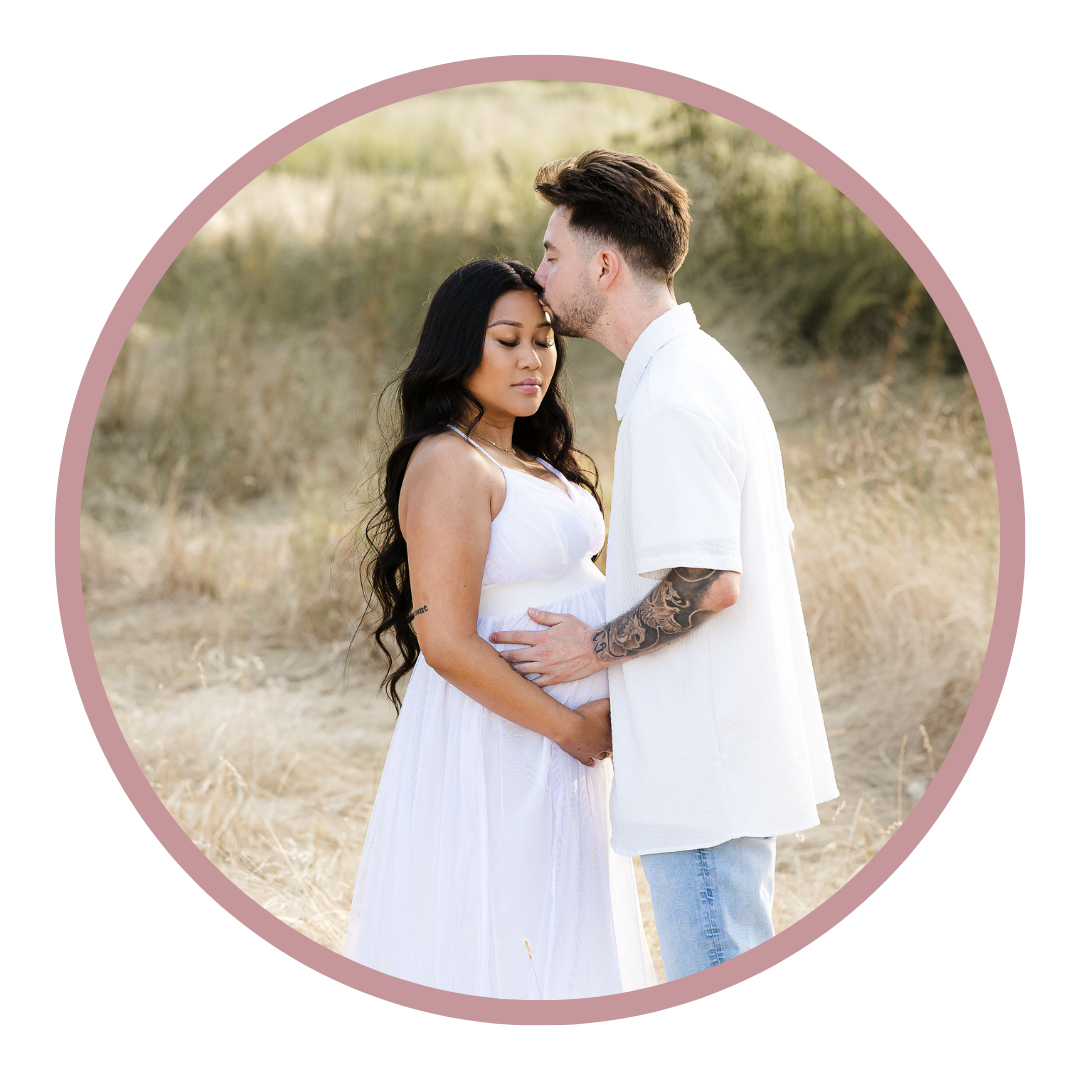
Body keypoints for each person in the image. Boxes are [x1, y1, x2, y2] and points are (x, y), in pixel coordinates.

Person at [489, 150, 840, 981]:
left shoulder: (672, 398)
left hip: (702, 776)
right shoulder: (699, 371)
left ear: (604, 266)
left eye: (551, 254)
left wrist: (591, 647)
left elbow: (710, 582)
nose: (540, 278)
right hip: (711, 765)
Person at [343, 258, 657, 998]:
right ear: (460, 348)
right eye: (507, 340)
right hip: (508, 733)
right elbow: (446, 641)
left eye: (544, 341)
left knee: (561, 921)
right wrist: (567, 728)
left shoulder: (534, 457)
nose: (531, 360)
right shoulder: (451, 462)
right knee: (504, 920)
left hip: (563, 734)